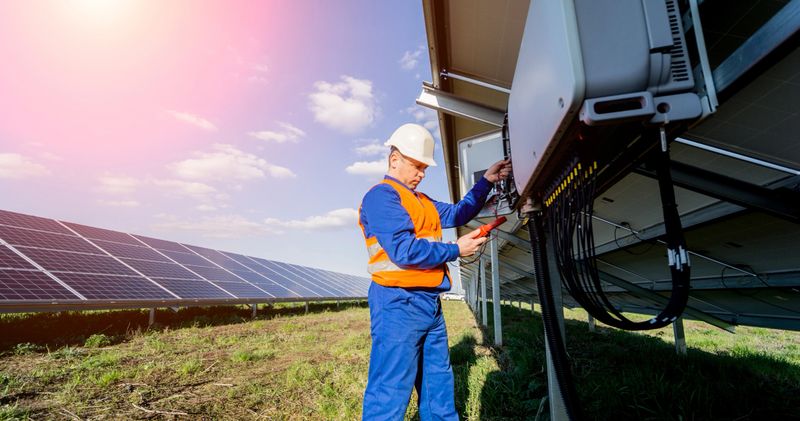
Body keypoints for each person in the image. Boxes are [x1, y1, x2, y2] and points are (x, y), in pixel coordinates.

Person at [358, 123, 511, 420]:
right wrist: (456, 249)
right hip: (397, 303)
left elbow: (457, 213)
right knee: (391, 388)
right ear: (394, 160)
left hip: (430, 304)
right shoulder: (382, 197)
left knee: (437, 383)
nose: (421, 174)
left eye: (424, 168)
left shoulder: (423, 202)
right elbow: (404, 250)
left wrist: (487, 182)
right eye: (416, 166)